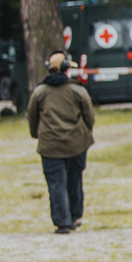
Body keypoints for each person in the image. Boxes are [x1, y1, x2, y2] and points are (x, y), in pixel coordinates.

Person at [25, 51, 94, 234]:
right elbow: (89, 118)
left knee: (57, 185)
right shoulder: (78, 91)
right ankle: (75, 216)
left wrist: (36, 135)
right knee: (75, 181)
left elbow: (32, 117)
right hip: (77, 144)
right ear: (65, 70)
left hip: (50, 147)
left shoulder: (40, 92)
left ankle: (62, 223)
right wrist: (85, 135)